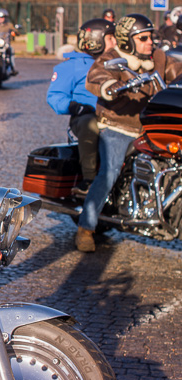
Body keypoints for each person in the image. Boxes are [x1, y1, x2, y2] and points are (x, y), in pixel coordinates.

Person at [79, 13, 182, 252]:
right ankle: (86, 228)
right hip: (118, 126)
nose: (150, 42)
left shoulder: (159, 57)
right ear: (127, 41)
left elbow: (177, 72)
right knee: (110, 171)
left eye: (152, 37)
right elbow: (96, 78)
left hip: (150, 125)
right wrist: (111, 87)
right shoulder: (113, 58)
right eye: (144, 38)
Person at [49, 19, 109, 188]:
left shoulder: (115, 63)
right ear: (96, 41)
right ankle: (89, 179)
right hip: (85, 116)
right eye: (111, 38)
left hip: (112, 114)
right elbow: (55, 96)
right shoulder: (72, 66)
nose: (116, 43)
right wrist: (75, 106)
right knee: (90, 125)